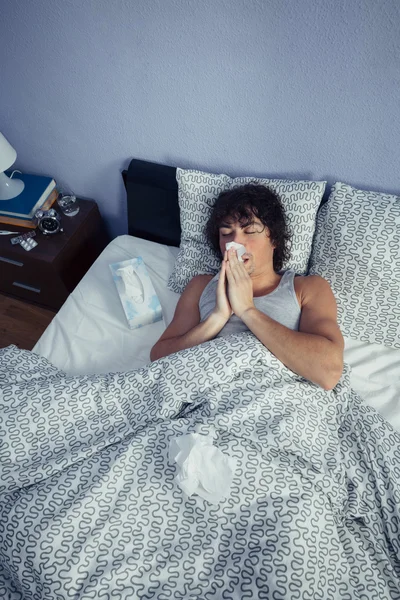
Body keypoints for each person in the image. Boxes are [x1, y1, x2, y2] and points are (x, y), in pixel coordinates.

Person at [150, 184, 344, 390]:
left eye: (249, 230)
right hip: (208, 394)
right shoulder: (201, 285)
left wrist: (247, 311)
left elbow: (329, 372)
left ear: (274, 239)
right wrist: (216, 318)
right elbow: (159, 358)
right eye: (226, 233)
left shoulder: (307, 288)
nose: (235, 242)